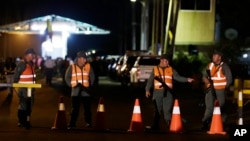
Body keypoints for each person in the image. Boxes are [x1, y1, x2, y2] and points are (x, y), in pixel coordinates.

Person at [145, 54, 194, 130]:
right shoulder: (155, 69)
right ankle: (155, 126)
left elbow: (178, 77)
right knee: (157, 111)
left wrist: (187, 79)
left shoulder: (171, 69)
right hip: (157, 92)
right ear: (161, 60)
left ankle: (171, 125)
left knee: (167, 111)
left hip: (168, 93)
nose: (167, 62)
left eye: (168, 61)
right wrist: (147, 90)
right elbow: (150, 81)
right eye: (165, 61)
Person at [201, 50, 232, 131]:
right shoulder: (210, 65)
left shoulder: (224, 66)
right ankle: (205, 122)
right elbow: (204, 75)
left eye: (215, 56)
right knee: (209, 107)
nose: (213, 57)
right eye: (213, 56)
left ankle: (223, 122)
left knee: (221, 106)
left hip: (220, 90)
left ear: (219, 57)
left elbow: (229, 78)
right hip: (210, 89)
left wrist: (225, 87)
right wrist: (205, 79)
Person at [64, 51, 95, 129]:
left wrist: (89, 86)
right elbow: (67, 77)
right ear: (79, 59)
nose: (85, 60)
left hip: (86, 91)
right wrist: (72, 85)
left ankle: (88, 123)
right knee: (74, 109)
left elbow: (92, 77)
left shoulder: (88, 66)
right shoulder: (72, 67)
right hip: (75, 91)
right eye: (83, 58)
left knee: (87, 109)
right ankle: (72, 123)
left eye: (85, 59)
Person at [13, 48, 37, 128]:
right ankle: (21, 121)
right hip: (23, 88)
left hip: (31, 88)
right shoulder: (22, 64)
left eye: (33, 54)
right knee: (23, 105)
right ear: (26, 55)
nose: (33, 56)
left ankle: (27, 121)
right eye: (31, 54)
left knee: (29, 105)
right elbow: (16, 76)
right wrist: (16, 84)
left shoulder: (32, 64)